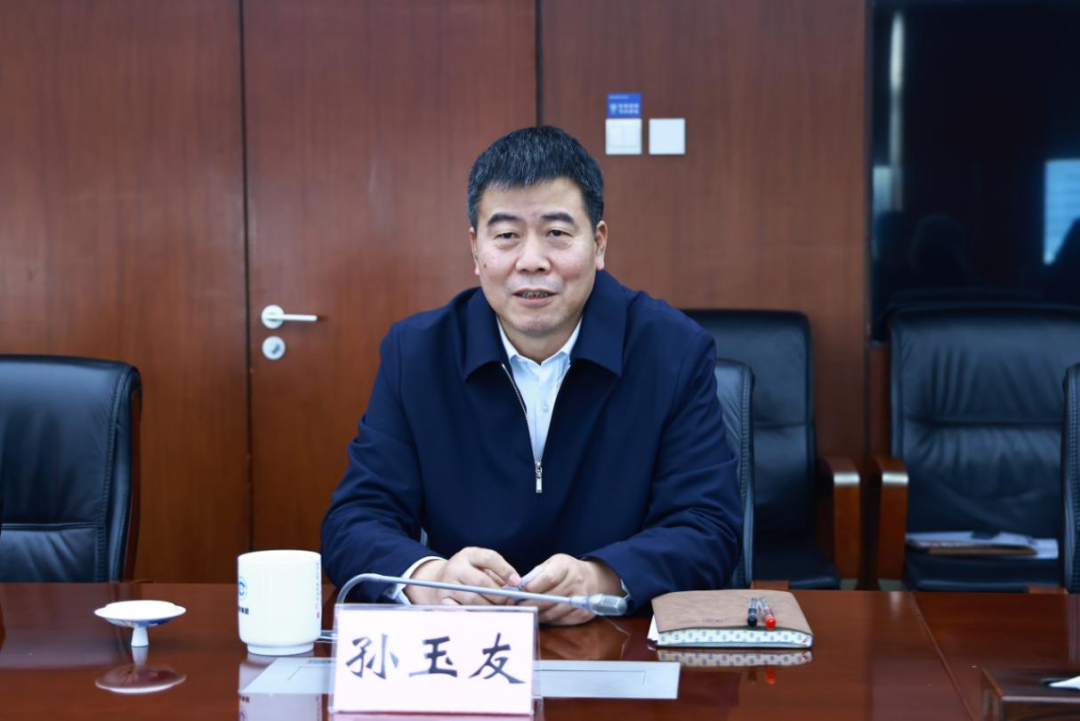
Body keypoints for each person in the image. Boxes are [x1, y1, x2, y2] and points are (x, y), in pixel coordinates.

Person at [321, 126, 742, 625]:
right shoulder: (416, 354)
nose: (532, 261)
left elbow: (708, 526)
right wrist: (430, 578)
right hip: (468, 646)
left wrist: (601, 580)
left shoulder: (671, 350)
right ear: (476, 250)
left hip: (619, 646)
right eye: (506, 236)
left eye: (557, 233)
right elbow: (354, 521)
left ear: (598, 243)